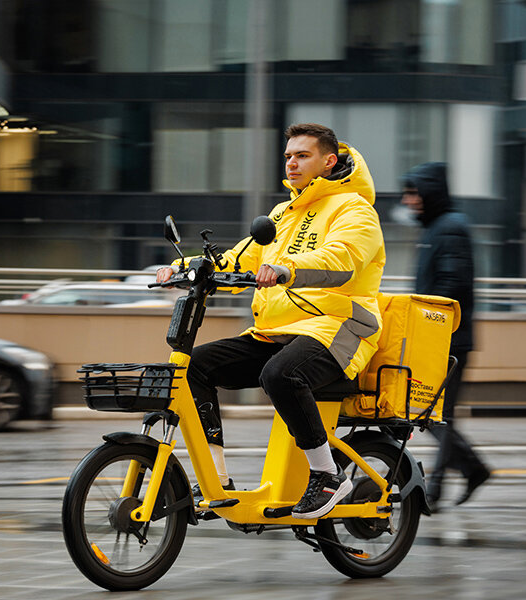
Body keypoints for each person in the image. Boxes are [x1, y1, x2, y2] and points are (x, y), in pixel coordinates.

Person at [157, 123, 385, 519]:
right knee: (193, 368)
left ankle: (328, 475)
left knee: (280, 375)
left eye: (302, 155)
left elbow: (341, 260)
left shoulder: (355, 209)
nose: (291, 163)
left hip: (339, 326)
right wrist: (183, 268)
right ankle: (216, 480)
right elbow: (241, 257)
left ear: (328, 161)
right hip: (278, 330)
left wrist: (285, 268)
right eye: (288, 156)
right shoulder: (285, 212)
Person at [401, 162, 491, 509]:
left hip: (449, 341)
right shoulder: (437, 228)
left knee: (436, 415)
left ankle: (438, 487)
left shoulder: (450, 228)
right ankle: (472, 470)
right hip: (439, 339)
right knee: (431, 414)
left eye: (414, 193)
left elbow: (451, 289)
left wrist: (428, 329)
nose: (409, 201)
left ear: (430, 194)